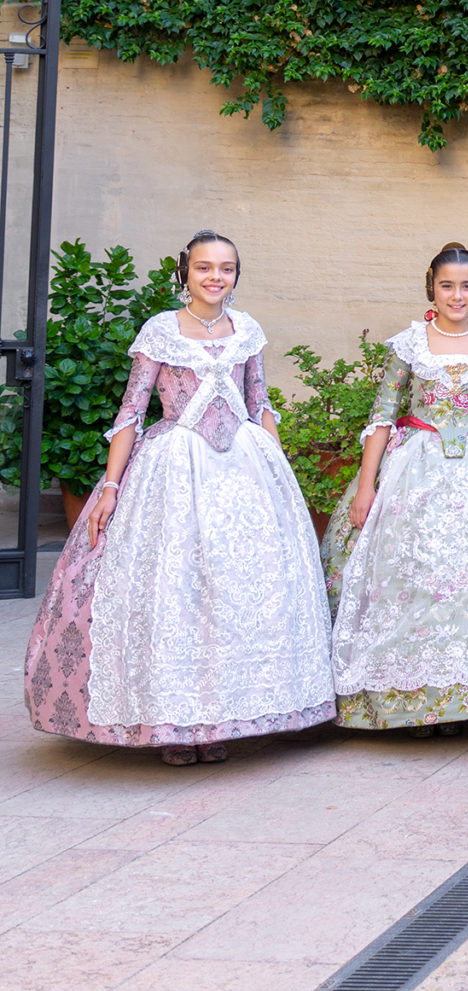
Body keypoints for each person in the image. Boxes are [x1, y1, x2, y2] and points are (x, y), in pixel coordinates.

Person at [23, 230, 335, 765]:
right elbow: (130, 412)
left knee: (235, 594)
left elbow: (260, 404)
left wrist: (279, 479)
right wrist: (111, 488)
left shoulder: (249, 330)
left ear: (237, 275)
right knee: (179, 591)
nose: (216, 277)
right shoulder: (160, 332)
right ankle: (173, 725)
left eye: (227, 268)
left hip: (244, 467)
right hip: (174, 471)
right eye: (205, 268)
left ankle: (219, 723)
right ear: (185, 273)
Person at [323, 243, 468, 734]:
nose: (456, 295)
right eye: (447, 286)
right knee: (413, 579)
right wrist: (364, 486)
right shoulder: (409, 345)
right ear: (430, 289)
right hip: (415, 470)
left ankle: (464, 698)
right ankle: (410, 697)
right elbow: (381, 416)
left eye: (466, 286)